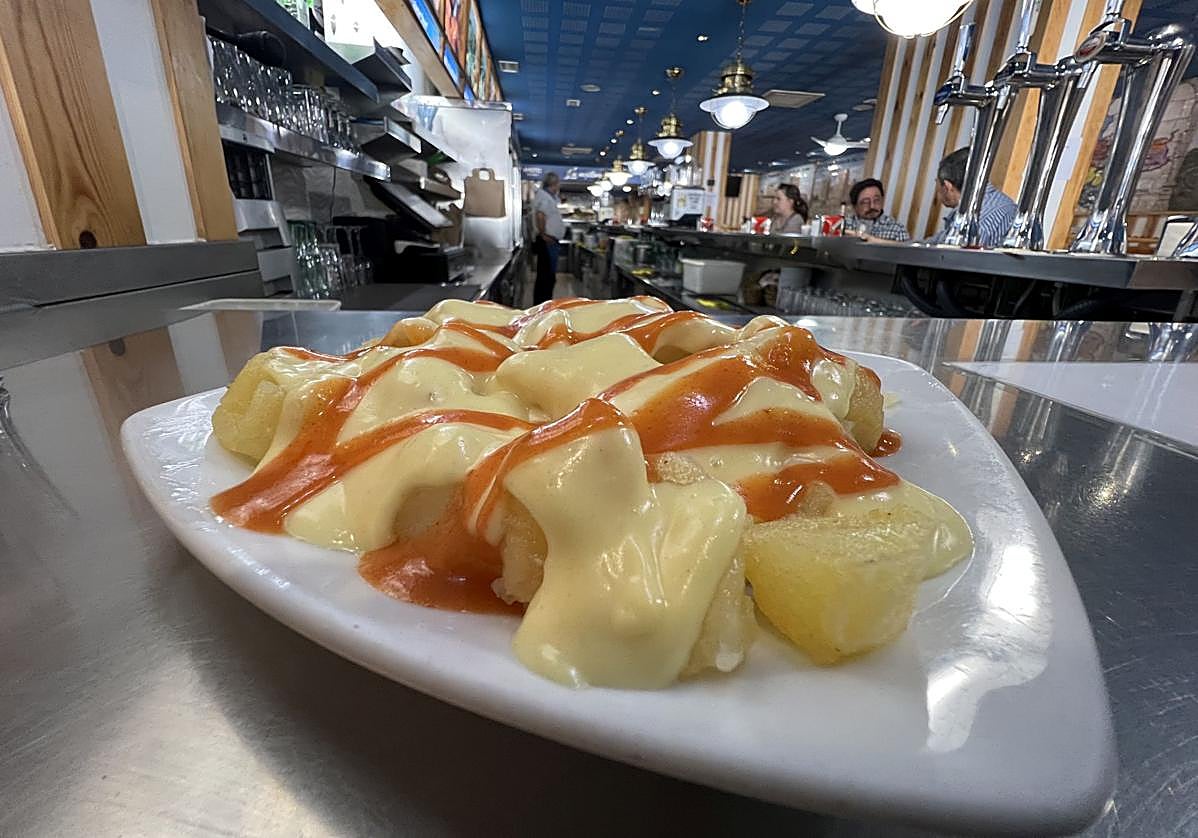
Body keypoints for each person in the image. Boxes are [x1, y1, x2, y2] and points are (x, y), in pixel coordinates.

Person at [927, 147, 1016, 248]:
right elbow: (938, 240)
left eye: (937, 182)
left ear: (948, 187)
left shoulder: (971, 224)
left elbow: (951, 258)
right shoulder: (1003, 202)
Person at [531, 173, 566, 303]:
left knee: (547, 276)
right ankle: (542, 305)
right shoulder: (545, 197)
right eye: (558, 184)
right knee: (546, 277)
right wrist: (543, 234)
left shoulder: (546, 196)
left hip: (549, 241)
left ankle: (543, 303)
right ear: (554, 184)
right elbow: (540, 215)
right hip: (547, 241)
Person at [848, 178, 910, 242]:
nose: (872, 206)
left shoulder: (897, 230)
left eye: (876, 200)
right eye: (866, 202)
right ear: (854, 206)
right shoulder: (844, 225)